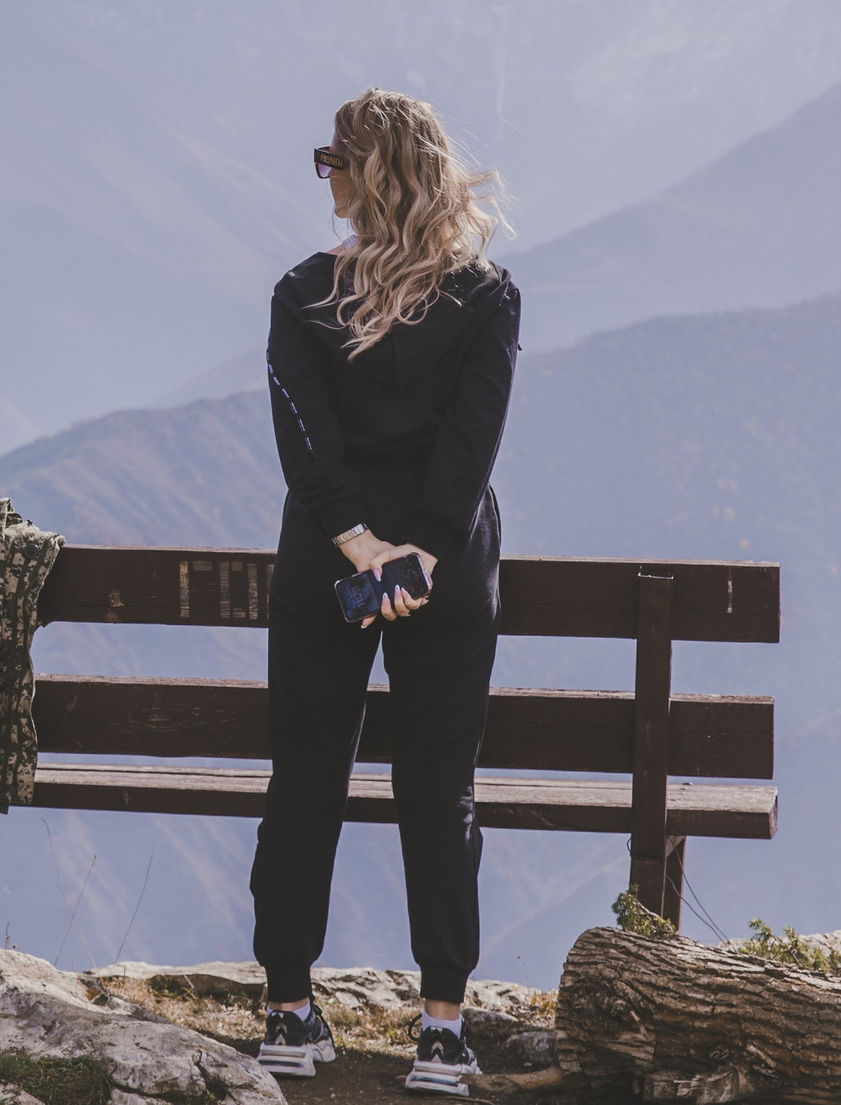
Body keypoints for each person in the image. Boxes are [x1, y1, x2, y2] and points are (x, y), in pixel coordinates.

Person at [250, 89, 519, 1098]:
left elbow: (305, 443)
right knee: (437, 793)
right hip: (443, 581)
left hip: (328, 567)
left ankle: (286, 1010)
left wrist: (360, 548)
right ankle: (442, 1030)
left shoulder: (300, 293)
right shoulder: (487, 296)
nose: (324, 175)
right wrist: (425, 556)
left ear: (374, 174)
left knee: (304, 781)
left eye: (333, 158)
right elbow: (472, 442)